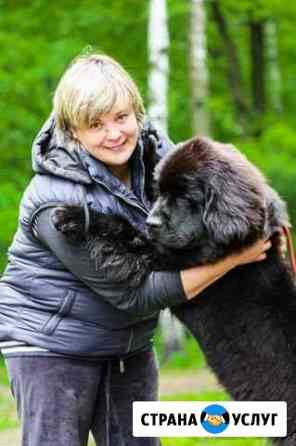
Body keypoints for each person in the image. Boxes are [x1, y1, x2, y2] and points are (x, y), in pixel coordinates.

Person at [0, 53, 271, 446]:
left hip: (126, 345)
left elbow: (217, 201)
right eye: (96, 125)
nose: (114, 134)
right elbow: (134, 293)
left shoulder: (161, 155)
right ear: (73, 131)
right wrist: (233, 261)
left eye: (121, 117)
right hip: (50, 347)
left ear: (137, 113)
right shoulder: (53, 200)